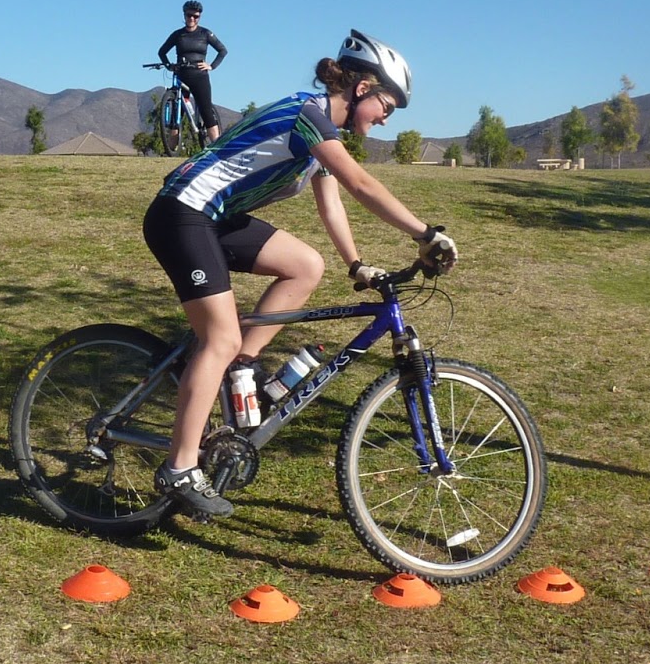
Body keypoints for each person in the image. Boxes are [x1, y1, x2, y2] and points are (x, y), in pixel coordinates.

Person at [142, 29, 458, 517]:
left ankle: (238, 368)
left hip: (213, 218)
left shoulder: (322, 137)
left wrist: (355, 265)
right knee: (219, 338)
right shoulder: (307, 114)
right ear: (361, 89)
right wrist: (424, 233)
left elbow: (333, 202)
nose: (383, 119)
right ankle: (180, 467)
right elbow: (359, 181)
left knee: (306, 265)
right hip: (183, 212)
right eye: (385, 107)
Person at [157, 0, 227, 143]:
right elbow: (162, 52)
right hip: (181, 74)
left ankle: (217, 148)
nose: (192, 19)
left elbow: (222, 50)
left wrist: (211, 66)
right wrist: (168, 65)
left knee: (206, 110)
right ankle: (171, 150)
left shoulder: (205, 33)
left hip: (199, 76)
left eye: (196, 16)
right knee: (177, 113)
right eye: (189, 15)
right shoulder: (177, 35)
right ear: (184, 15)